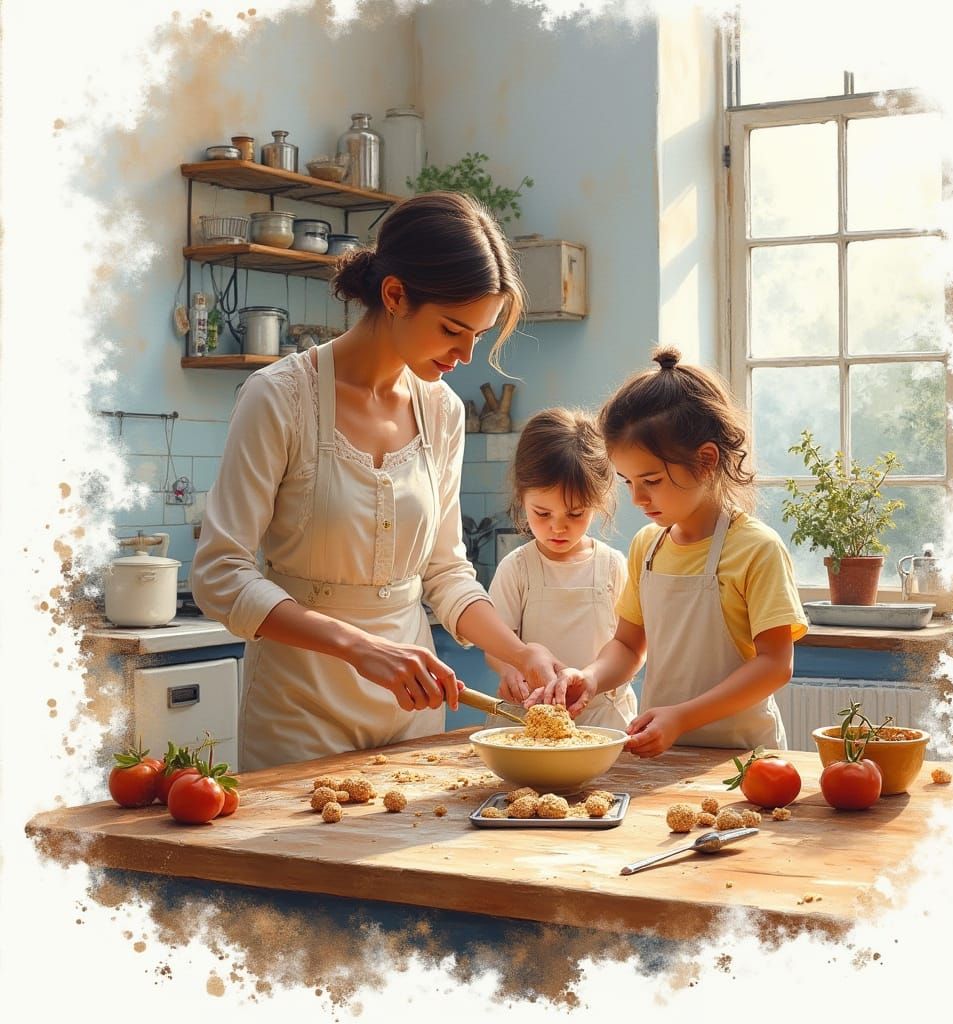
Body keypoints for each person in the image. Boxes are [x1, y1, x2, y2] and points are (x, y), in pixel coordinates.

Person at [192, 192, 562, 770]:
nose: (466, 354)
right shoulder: (278, 397)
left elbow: (443, 570)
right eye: (451, 329)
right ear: (395, 295)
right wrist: (362, 649)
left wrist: (517, 650)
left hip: (413, 711)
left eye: (478, 336)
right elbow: (219, 574)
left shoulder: (442, 412)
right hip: (300, 711)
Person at [526, 347, 807, 756]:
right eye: (627, 482)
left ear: (705, 461)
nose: (638, 497)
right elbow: (627, 646)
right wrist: (589, 677)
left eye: (652, 480)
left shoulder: (757, 550)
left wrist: (683, 716)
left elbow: (775, 665)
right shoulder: (648, 547)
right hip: (662, 752)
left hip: (743, 758)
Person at [483, 409, 638, 730]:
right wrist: (509, 669)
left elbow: (632, 646)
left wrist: (593, 678)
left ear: (597, 503)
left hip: (604, 719)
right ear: (521, 498)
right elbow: (497, 644)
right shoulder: (517, 568)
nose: (558, 527)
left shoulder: (612, 566)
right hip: (531, 720)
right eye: (542, 513)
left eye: (575, 514)